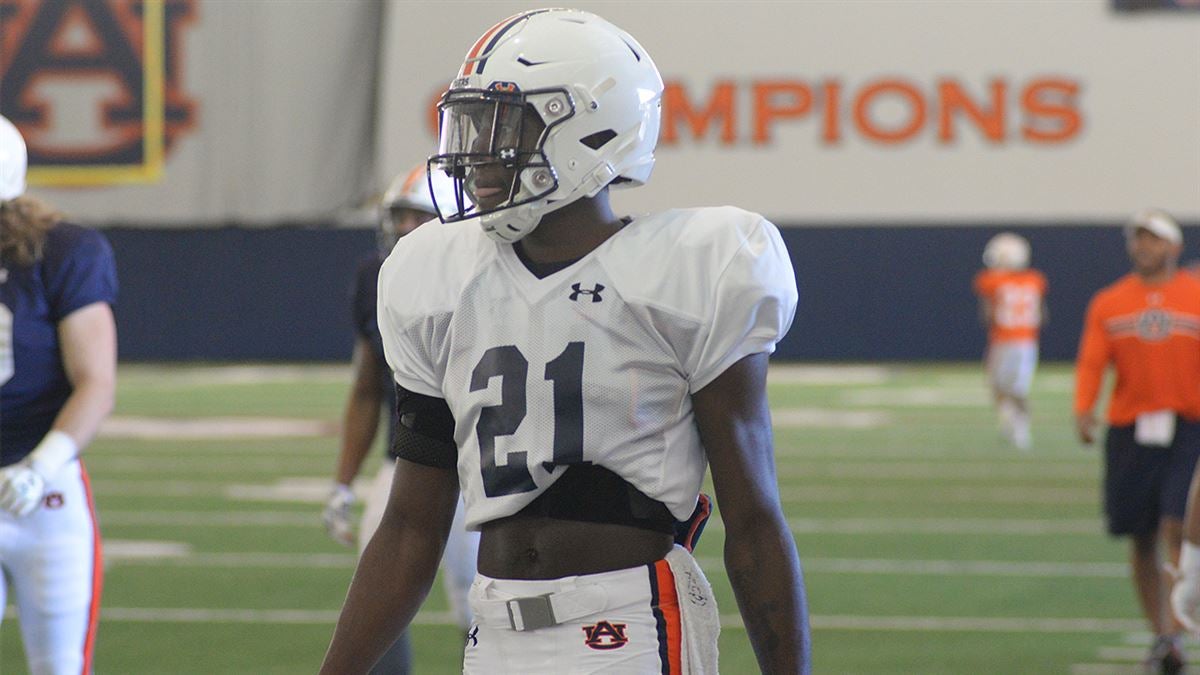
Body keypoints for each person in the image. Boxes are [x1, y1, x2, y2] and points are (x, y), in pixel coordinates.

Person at [320, 9, 809, 674]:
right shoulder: (435, 271)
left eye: (506, 127)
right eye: (472, 125)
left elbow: (753, 519)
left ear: (593, 126)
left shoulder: (698, 265)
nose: (478, 154)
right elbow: (410, 526)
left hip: (633, 624)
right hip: (493, 630)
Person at [321, 164, 480, 672]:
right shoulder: (379, 276)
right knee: (378, 593)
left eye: (420, 217)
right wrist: (343, 482)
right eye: (401, 218)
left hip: (479, 465)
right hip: (407, 458)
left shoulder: (487, 270)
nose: (407, 230)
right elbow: (367, 387)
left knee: (478, 605)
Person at [0, 115, 117, 673]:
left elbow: (96, 381)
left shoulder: (62, 250)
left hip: (44, 493)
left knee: (59, 667)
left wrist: (39, 467)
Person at [1075, 208, 1200, 675]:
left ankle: (1183, 619)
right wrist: (1084, 407)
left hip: (1189, 426)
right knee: (1140, 533)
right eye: (1138, 239)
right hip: (1131, 428)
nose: (1144, 247)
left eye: (1154, 239)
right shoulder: (1109, 301)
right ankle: (1163, 635)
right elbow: (1092, 361)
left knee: (1176, 524)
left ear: (1174, 246)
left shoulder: (1195, 294)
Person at [972, 232, 1047, 450]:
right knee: (1018, 388)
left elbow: (988, 315)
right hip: (1027, 341)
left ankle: (1014, 424)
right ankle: (1018, 427)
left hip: (1003, 340)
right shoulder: (1035, 280)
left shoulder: (990, 281)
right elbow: (1041, 316)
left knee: (998, 385)